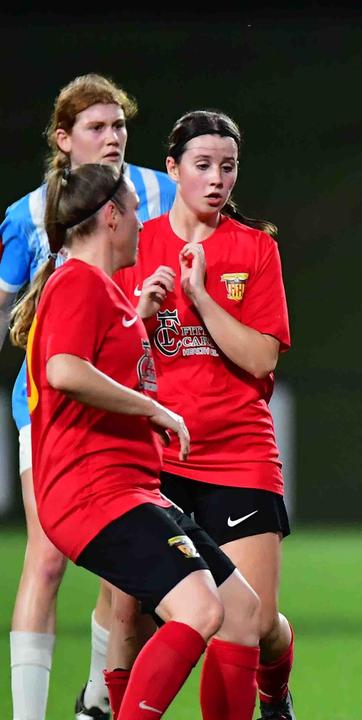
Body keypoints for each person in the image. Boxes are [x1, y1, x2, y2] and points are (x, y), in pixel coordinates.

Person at [10, 162, 261, 719]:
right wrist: (156, 409)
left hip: (134, 491)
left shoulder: (109, 295)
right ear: (111, 217)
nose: (145, 228)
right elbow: (63, 370)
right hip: (97, 494)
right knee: (198, 609)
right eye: (136, 216)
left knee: (242, 611)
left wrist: (138, 319)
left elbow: (94, 359)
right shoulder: (76, 279)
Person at [1, 73, 176, 720]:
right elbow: (5, 311)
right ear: (62, 138)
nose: (111, 138)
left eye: (119, 126)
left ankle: (98, 704)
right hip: (48, 405)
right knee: (46, 560)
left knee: (122, 578)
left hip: (127, 397)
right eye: (97, 127)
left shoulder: (157, 193)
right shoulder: (28, 213)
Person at [113, 109, 295, 720]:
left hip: (238, 457)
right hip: (153, 456)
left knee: (256, 623)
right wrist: (142, 308)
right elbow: (109, 353)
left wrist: (200, 297)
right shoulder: (137, 244)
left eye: (228, 166)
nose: (217, 179)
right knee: (131, 612)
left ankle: (275, 692)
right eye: (203, 166)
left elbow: (260, 357)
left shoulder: (255, 248)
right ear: (172, 170)